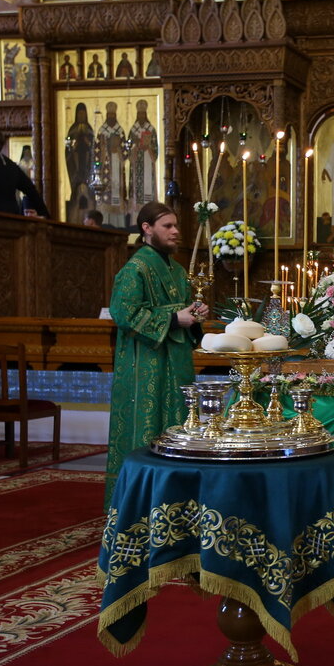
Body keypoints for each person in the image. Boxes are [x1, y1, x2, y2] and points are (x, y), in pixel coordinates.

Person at [104, 202, 208, 507]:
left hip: (175, 362)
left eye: (176, 225)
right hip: (145, 365)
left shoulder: (176, 270)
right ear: (147, 229)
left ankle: (178, 499)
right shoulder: (135, 268)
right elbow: (123, 312)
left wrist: (194, 314)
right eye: (168, 226)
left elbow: (182, 311)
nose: (176, 231)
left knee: (178, 425)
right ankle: (139, 504)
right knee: (147, 427)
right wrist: (175, 319)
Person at [95, 100, 127, 227]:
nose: (111, 117)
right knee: (105, 197)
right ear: (107, 115)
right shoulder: (101, 131)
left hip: (117, 166)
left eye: (113, 115)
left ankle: (118, 223)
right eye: (109, 114)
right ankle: (105, 222)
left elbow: (125, 151)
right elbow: (96, 151)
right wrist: (106, 149)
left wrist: (117, 150)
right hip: (105, 169)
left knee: (117, 195)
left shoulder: (120, 130)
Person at [127, 99, 158, 218]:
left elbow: (155, 148)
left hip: (148, 161)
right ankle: (135, 217)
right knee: (136, 186)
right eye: (139, 113)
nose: (141, 116)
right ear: (137, 114)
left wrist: (148, 147)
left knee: (148, 187)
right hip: (137, 162)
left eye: (143, 113)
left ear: (146, 115)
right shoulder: (133, 130)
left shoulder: (151, 129)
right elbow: (128, 146)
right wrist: (135, 146)